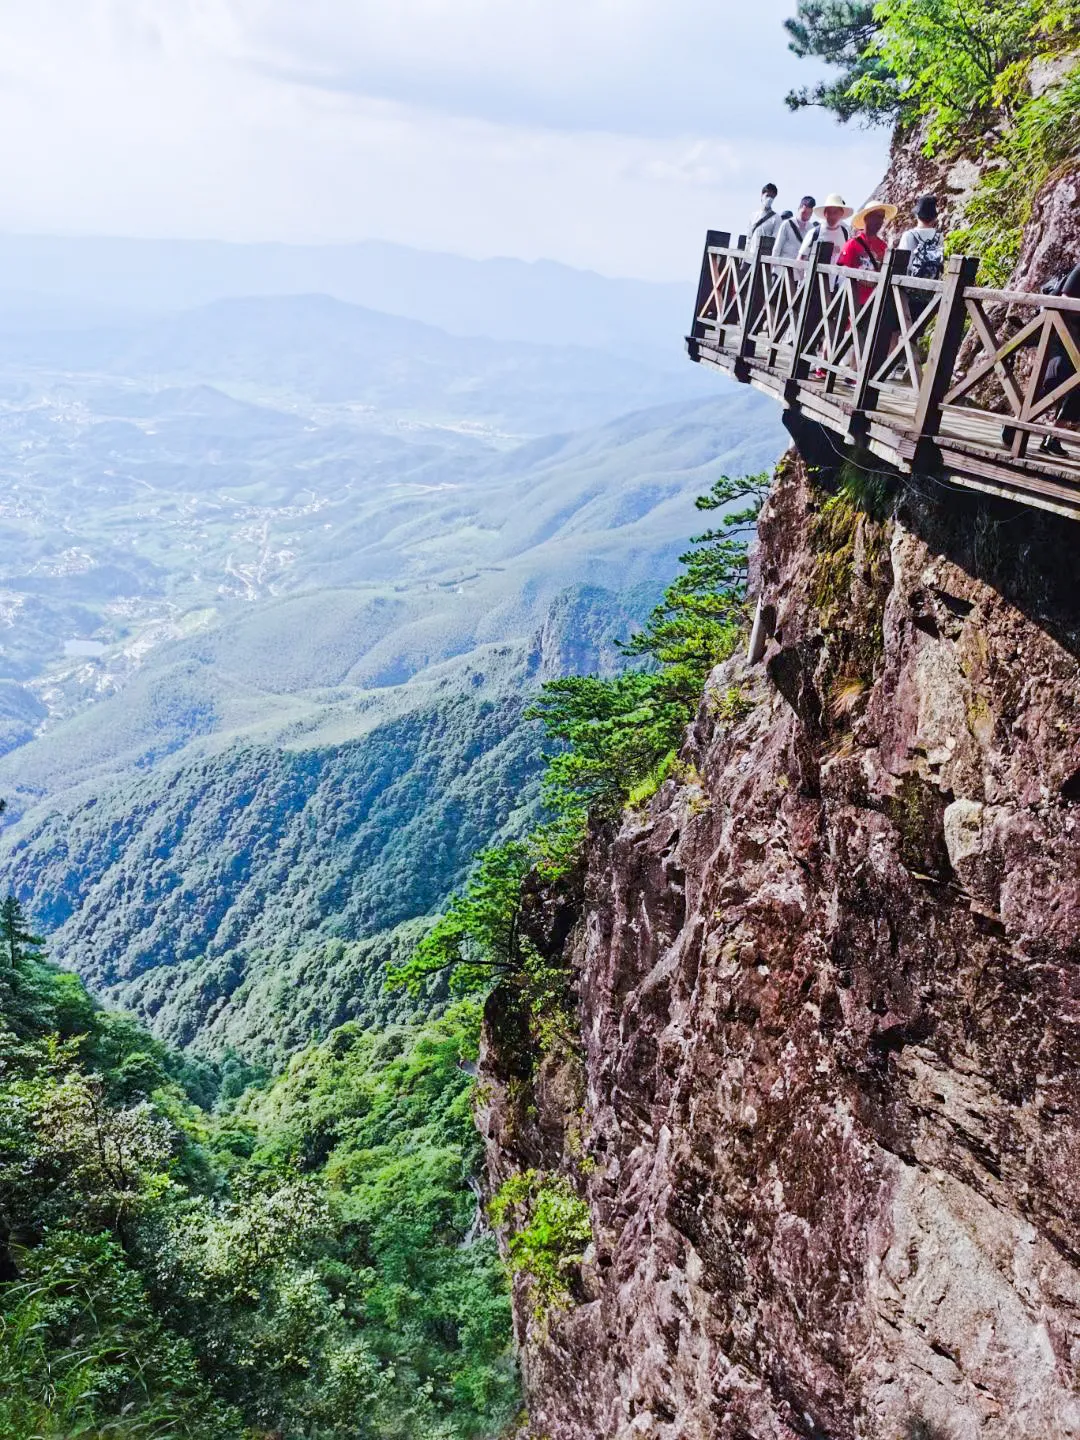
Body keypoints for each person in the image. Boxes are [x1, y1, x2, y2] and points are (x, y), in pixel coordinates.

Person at [836, 202, 898, 308]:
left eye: (882, 217)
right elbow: (842, 273)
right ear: (867, 217)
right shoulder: (852, 244)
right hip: (853, 301)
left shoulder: (883, 246)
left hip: (874, 301)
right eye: (876, 216)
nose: (880, 221)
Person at [897, 195, 945, 317]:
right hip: (929, 290)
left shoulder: (909, 235)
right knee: (917, 328)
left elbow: (902, 264)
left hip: (908, 292)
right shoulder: (939, 236)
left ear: (917, 215)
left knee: (900, 328)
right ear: (934, 217)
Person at [797, 194, 854, 267]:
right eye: (829, 212)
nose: (832, 216)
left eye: (835, 212)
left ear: (841, 213)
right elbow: (800, 259)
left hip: (838, 278)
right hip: (815, 277)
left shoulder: (845, 234)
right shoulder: (814, 233)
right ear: (824, 213)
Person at [774, 197, 816, 261]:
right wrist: (772, 267)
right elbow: (777, 247)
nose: (806, 216)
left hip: (799, 268)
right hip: (783, 266)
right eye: (804, 212)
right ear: (799, 209)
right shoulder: (786, 224)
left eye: (809, 214)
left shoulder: (812, 229)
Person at [747, 183, 782, 256]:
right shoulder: (753, 215)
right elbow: (749, 237)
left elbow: (775, 240)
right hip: (750, 254)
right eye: (767, 195)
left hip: (764, 258)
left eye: (772, 197)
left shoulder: (777, 218)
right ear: (762, 195)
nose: (769, 199)